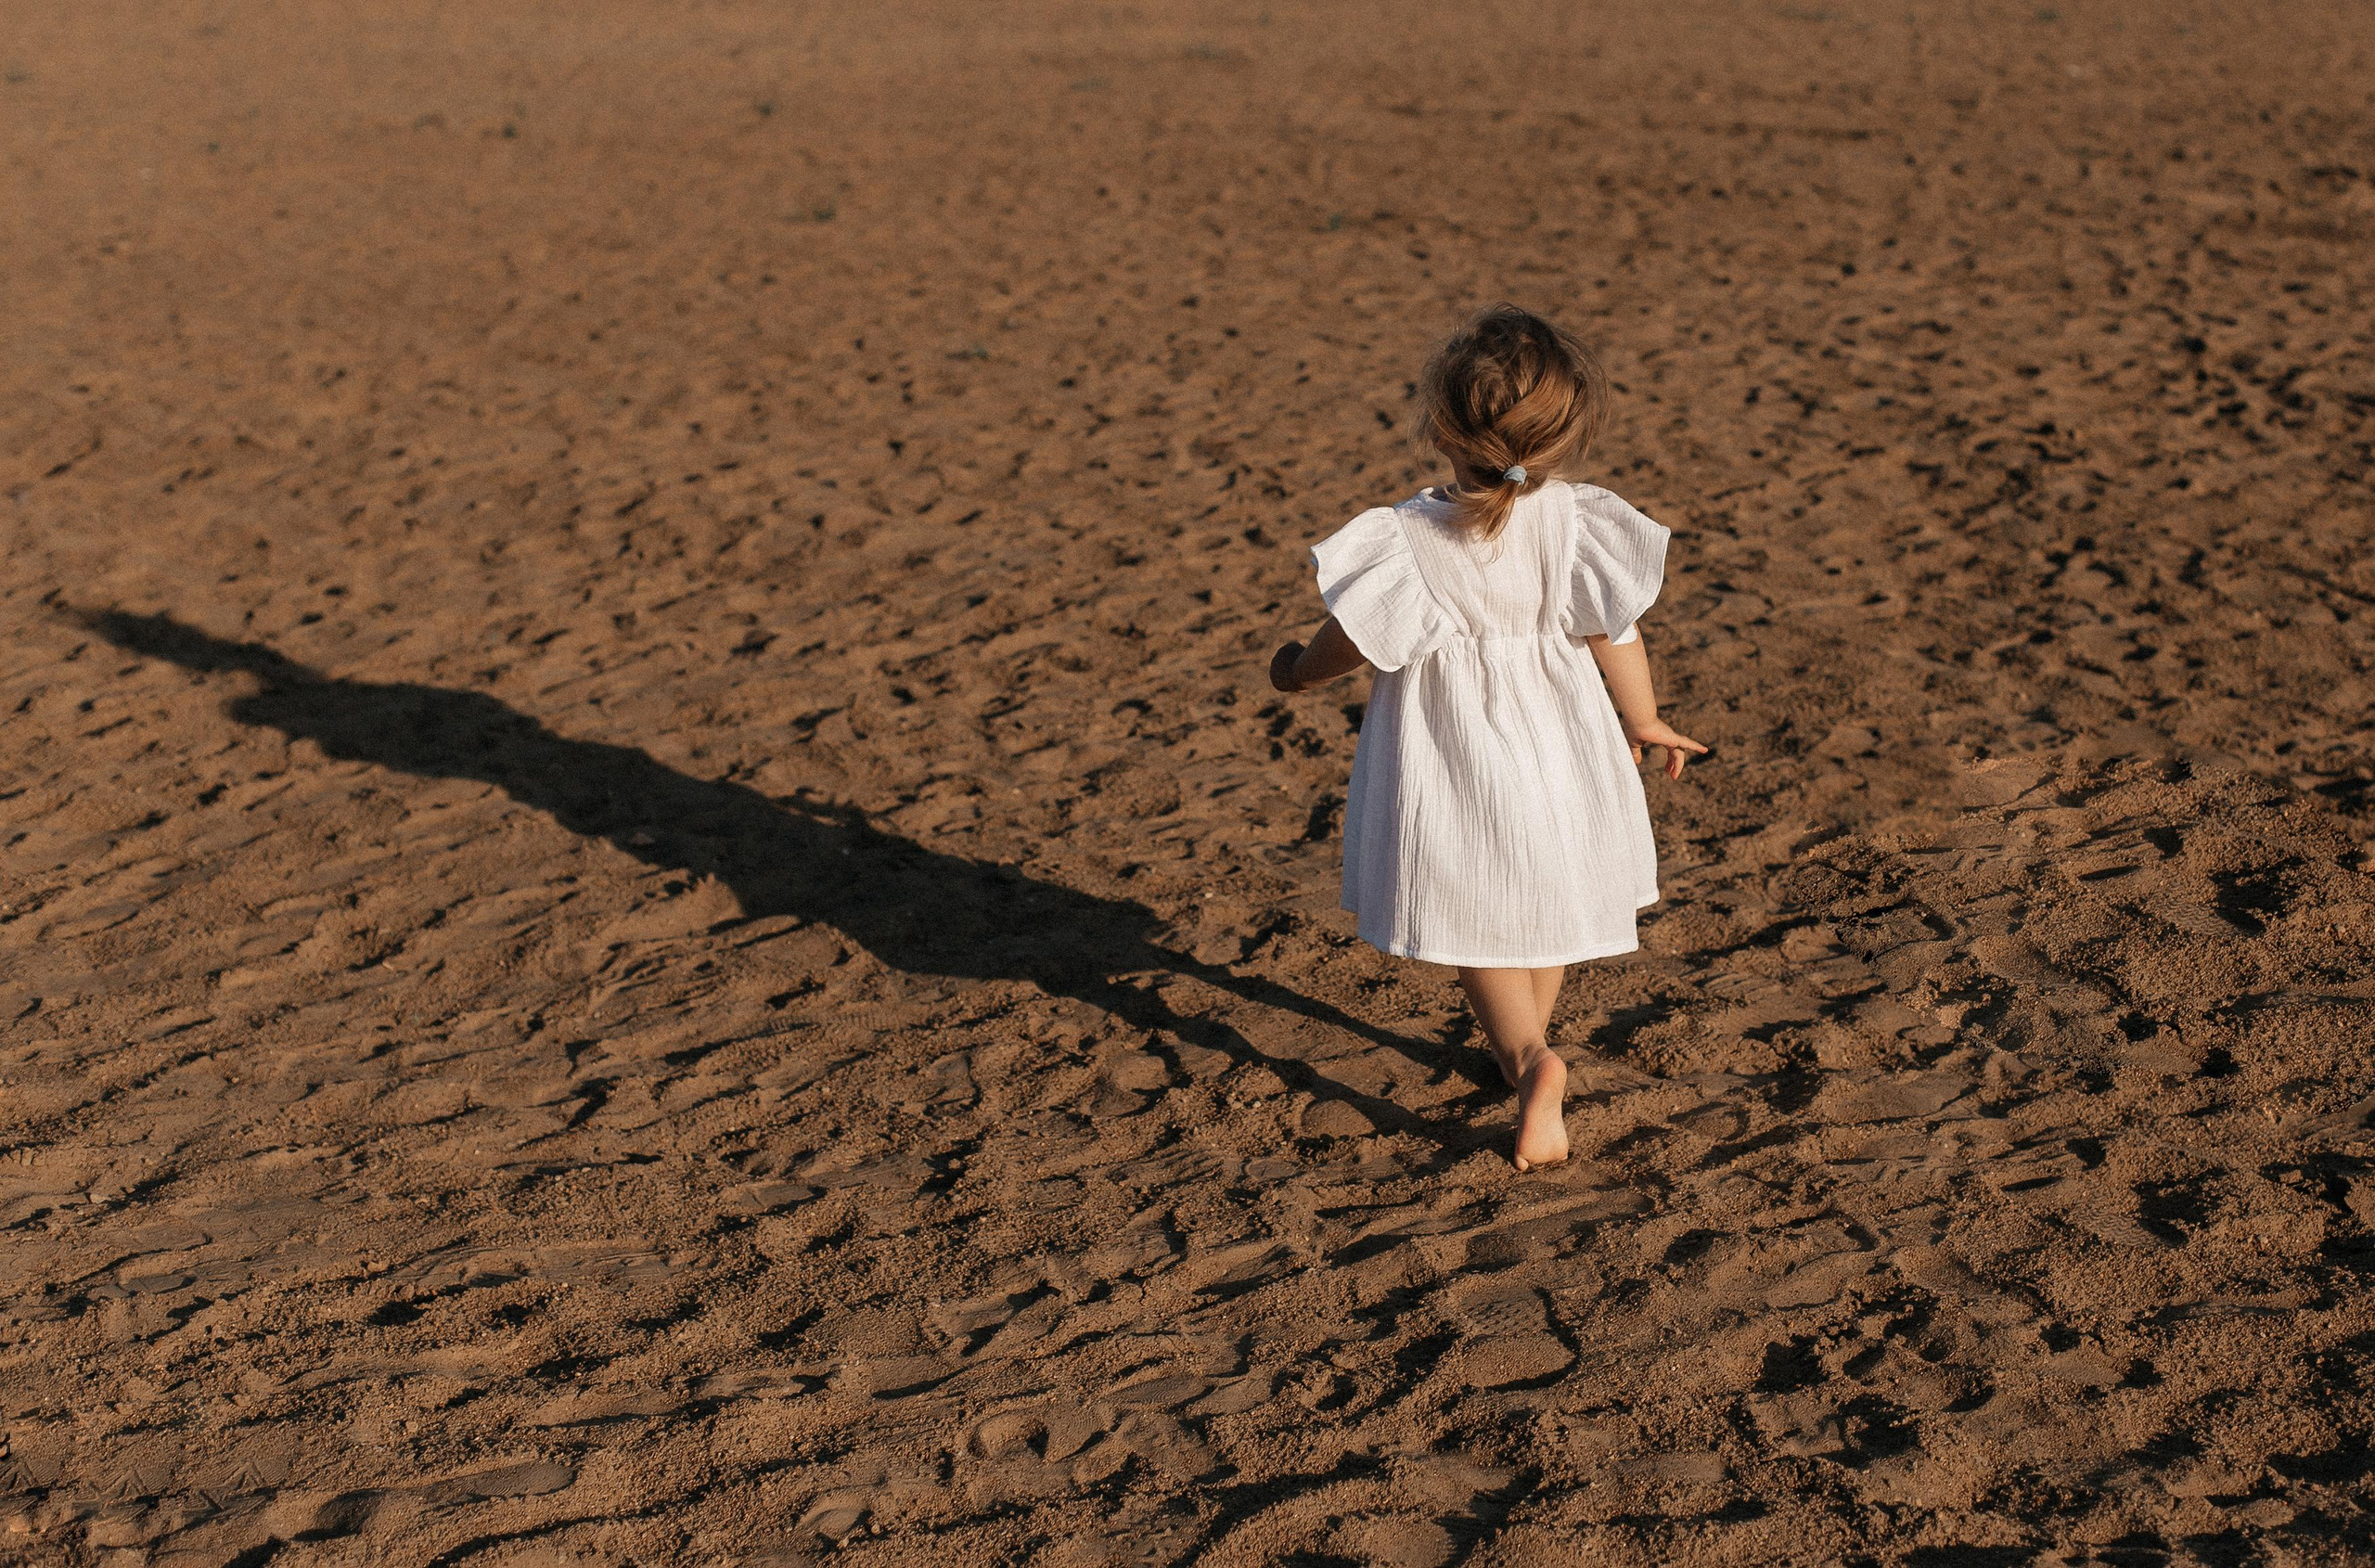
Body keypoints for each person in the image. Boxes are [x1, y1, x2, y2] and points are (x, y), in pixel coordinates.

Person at [1268, 303, 1705, 1171]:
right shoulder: (1578, 521)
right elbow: (1616, 632)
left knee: (1474, 913)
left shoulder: (1406, 538)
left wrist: (1296, 673)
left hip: (1455, 749)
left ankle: (1532, 1062)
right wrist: (1644, 718)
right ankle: (1529, 1045)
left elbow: (1350, 639)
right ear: (1563, 433)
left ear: (1439, 424)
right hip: (1564, 734)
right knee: (1538, 903)